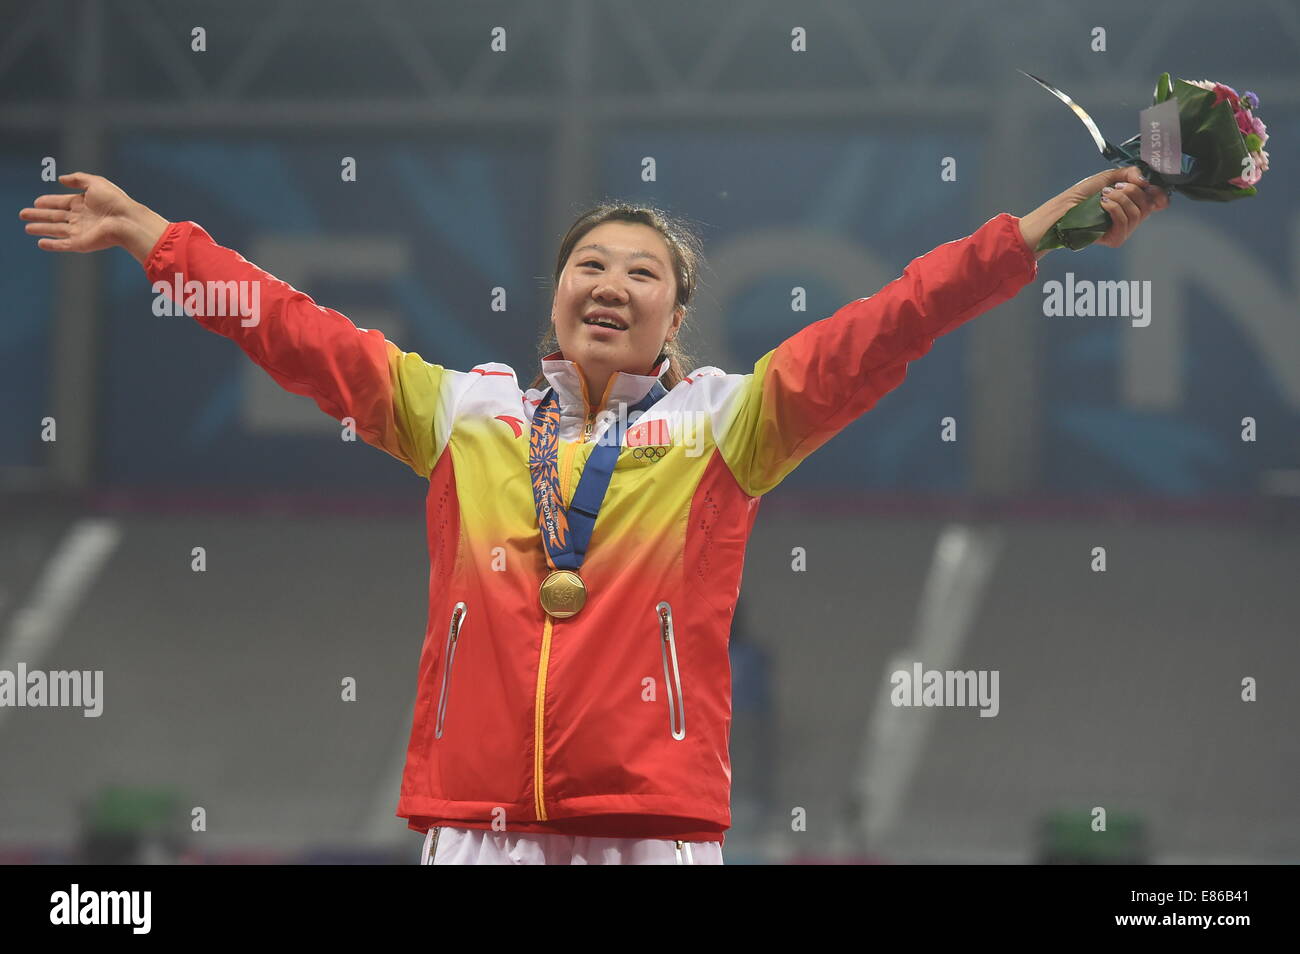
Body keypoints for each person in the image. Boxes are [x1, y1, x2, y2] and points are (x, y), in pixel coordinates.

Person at [19, 166, 1168, 865]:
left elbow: (894, 323)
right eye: (588, 265)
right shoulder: (462, 415)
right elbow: (294, 334)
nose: (609, 283)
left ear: (677, 316)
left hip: (651, 835)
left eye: (642, 272)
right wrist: (153, 238)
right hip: (474, 831)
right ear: (556, 293)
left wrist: (1032, 235)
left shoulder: (731, 424)